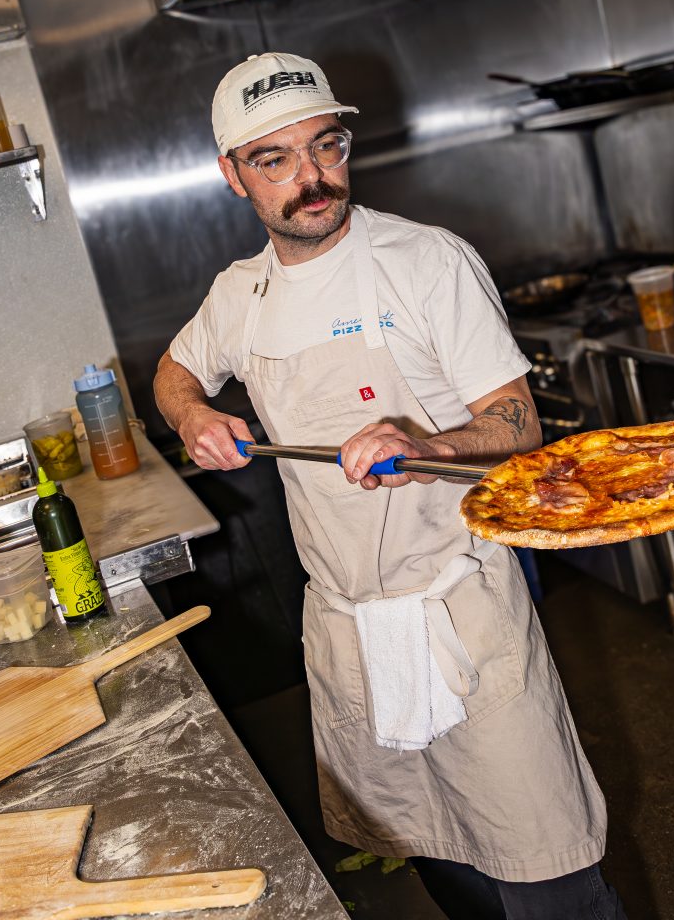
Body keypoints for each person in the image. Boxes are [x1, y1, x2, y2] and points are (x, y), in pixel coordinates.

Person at [155, 53, 626, 919]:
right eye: (274, 160)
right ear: (233, 176)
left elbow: (519, 424)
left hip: (461, 608)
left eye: (325, 146)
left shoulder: (426, 262)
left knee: (544, 868)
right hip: (347, 629)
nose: (311, 178)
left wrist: (425, 442)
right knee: (430, 850)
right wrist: (192, 417)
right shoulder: (239, 295)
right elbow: (174, 372)